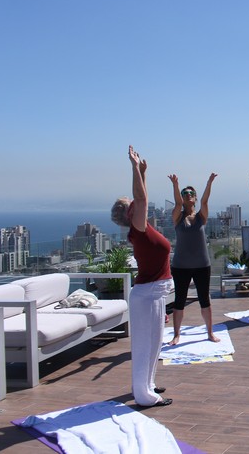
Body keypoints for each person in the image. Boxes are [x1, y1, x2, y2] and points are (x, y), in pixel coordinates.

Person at [110, 146, 173, 407]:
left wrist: (143, 173)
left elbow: (141, 200)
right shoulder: (138, 231)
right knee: (144, 346)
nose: (139, 206)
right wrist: (135, 168)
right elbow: (142, 200)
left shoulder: (143, 227)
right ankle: (144, 395)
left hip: (154, 295)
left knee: (155, 344)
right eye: (134, 207)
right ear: (130, 214)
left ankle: (148, 385)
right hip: (147, 295)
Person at [167, 173, 219, 345]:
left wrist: (209, 182)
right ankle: (176, 334)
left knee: (205, 299)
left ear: (195, 198)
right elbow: (177, 203)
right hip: (181, 266)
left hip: (202, 265)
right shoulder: (178, 217)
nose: (187, 194)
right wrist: (176, 184)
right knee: (179, 300)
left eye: (190, 193)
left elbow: (205, 202)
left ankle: (210, 332)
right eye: (184, 193)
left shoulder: (200, 217)